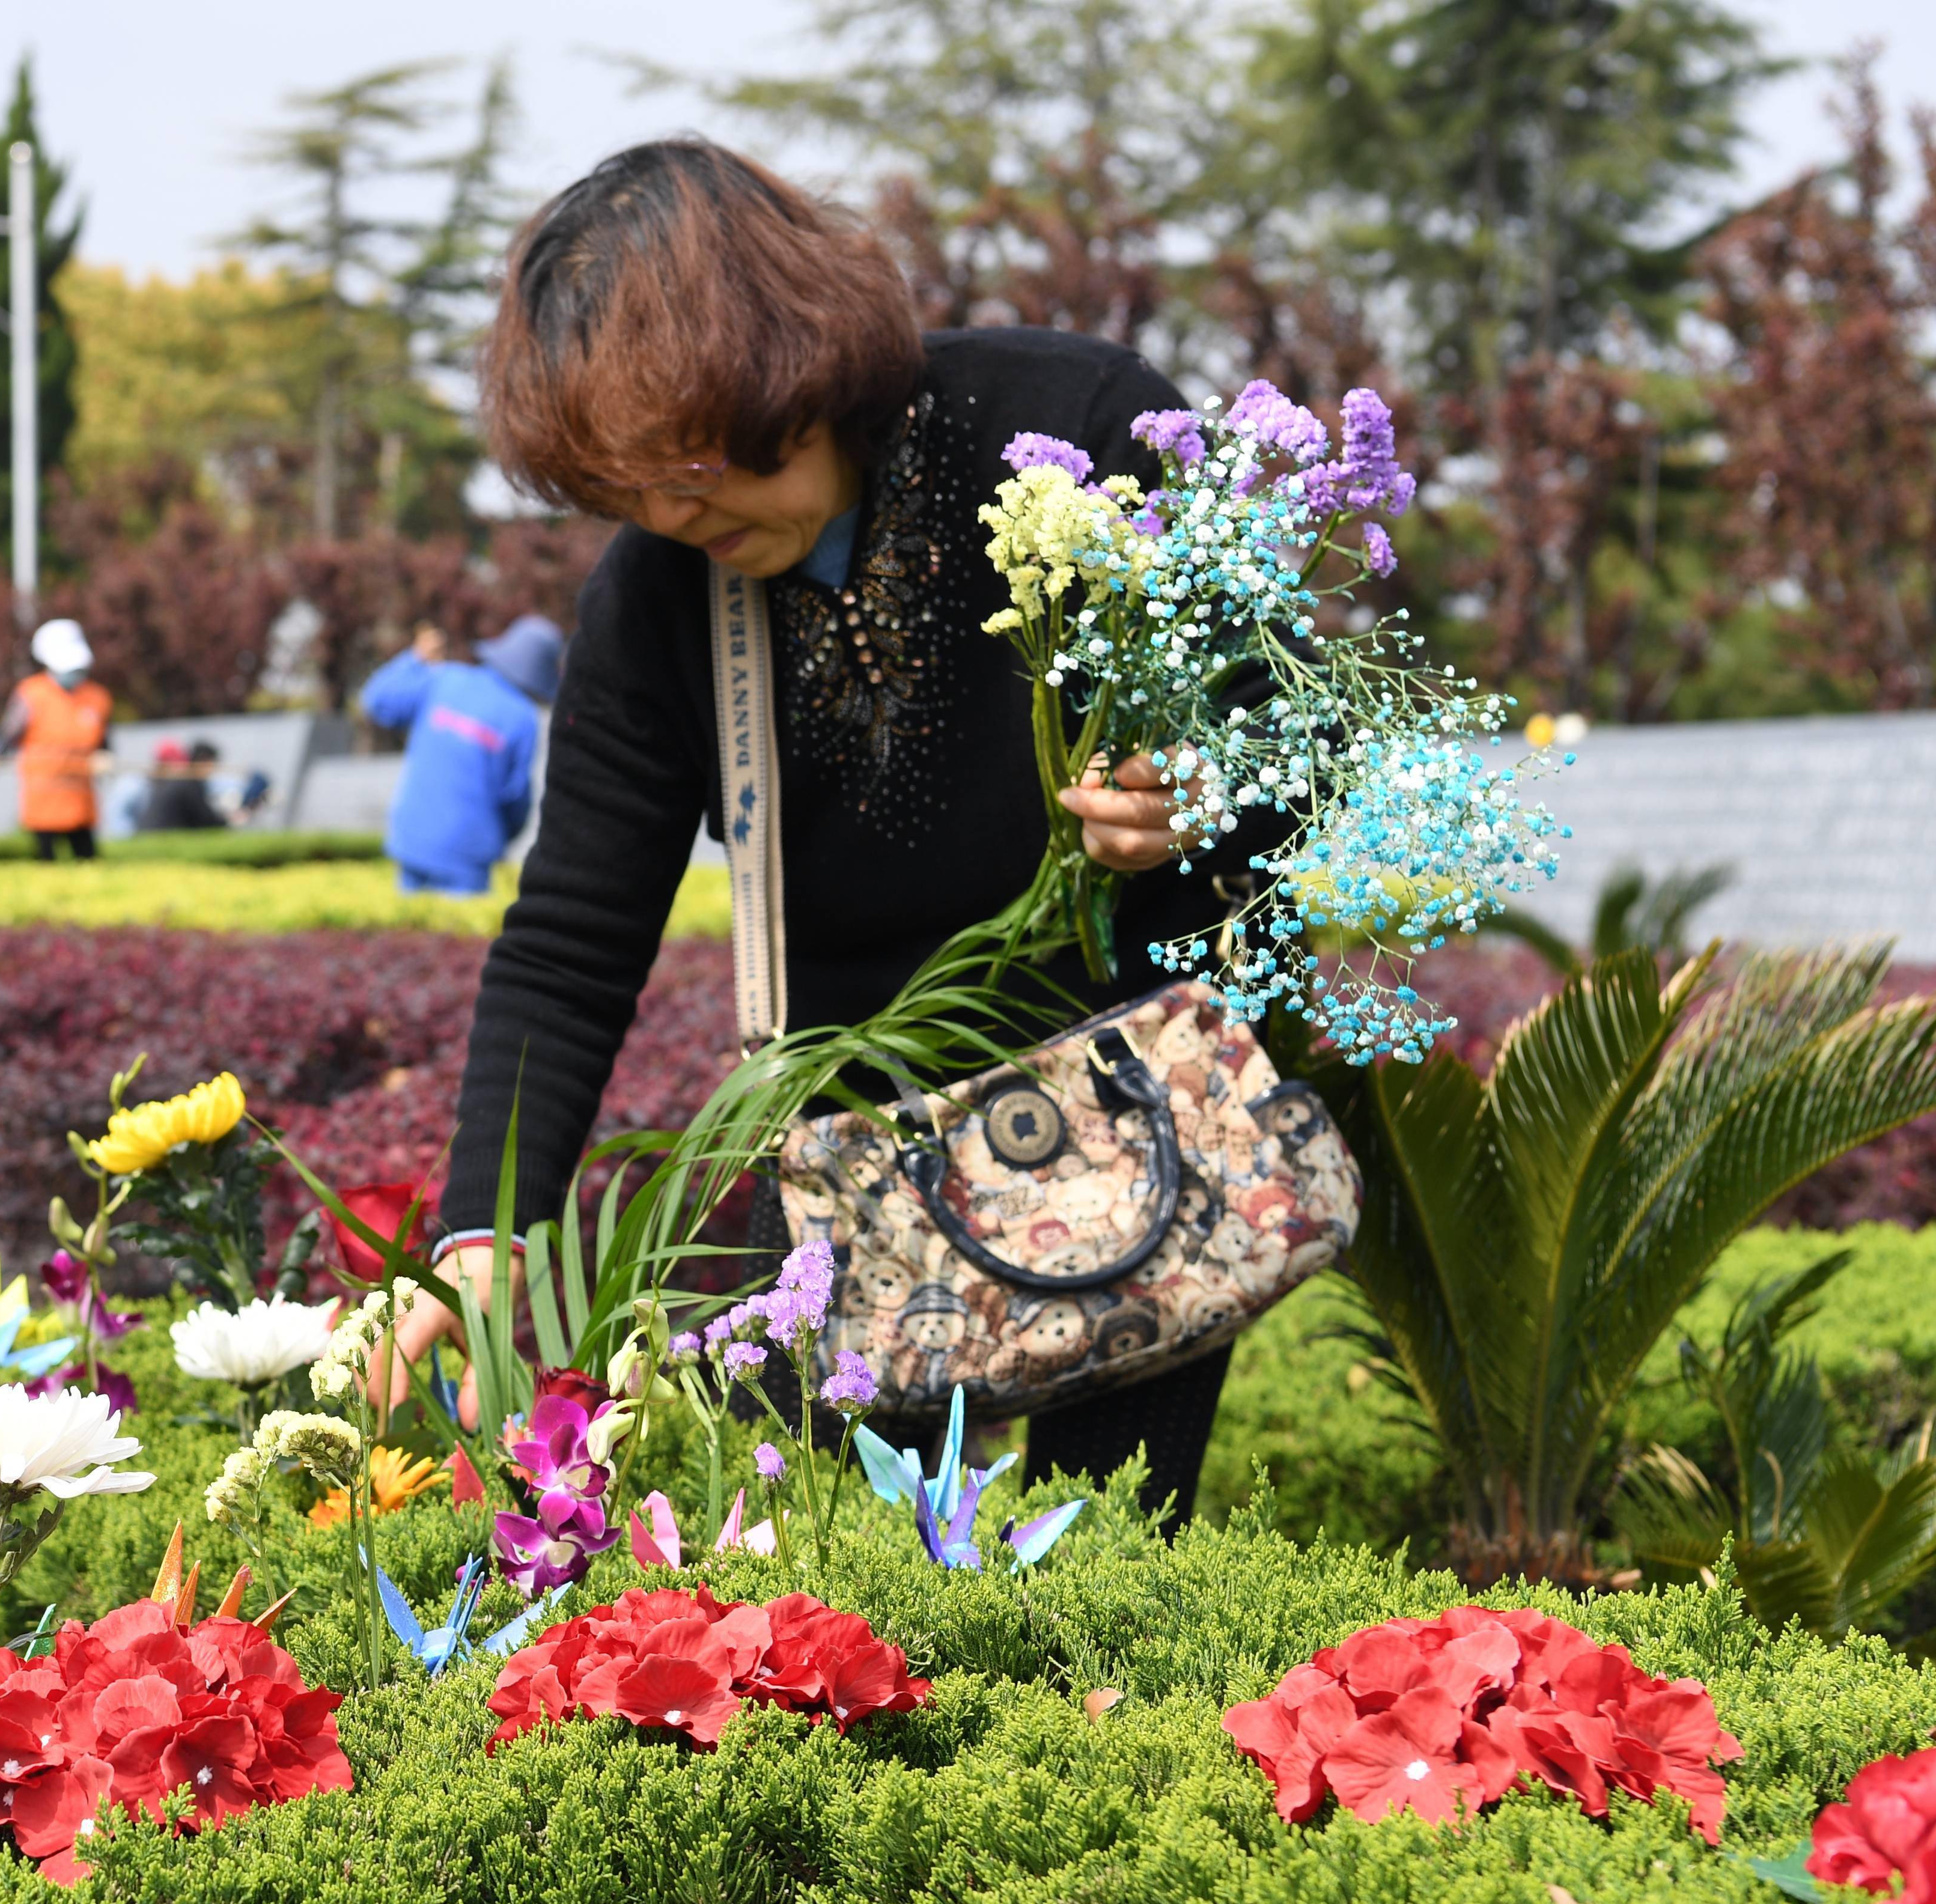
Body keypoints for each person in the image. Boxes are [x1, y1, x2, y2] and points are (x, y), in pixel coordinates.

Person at [386, 139, 1266, 1524]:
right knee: (813, 1591)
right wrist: (483, 1231)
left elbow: (1282, 743)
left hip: (1126, 1128)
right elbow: (570, 937)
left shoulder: (1079, 425)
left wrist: (1195, 794)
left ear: (787, 367)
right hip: (853, 1170)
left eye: (693, 467)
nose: (676, 520)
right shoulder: (660, 593)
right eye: (630, 495)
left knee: (1111, 1563)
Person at [362, 615, 562, 896]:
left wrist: (415, 658)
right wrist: (503, 837)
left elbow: (376, 701)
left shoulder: (446, 679)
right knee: (454, 938)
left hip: (413, 838)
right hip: (469, 854)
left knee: (406, 934)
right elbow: (515, 795)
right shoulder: (523, 718)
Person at [0, 618, 112, 861]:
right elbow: (7, 736)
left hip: (81, 798)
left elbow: (104, 742)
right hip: (43, 798)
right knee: (45, 861)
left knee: (87, 859)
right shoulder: (32, 694)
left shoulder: (97, 697)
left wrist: (106, 758)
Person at [133, 738, 229, 833]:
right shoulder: (189, 782)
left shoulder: (175, 781)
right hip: (161, 836)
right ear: (204, 761)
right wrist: (230, 822)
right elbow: (207, 820)